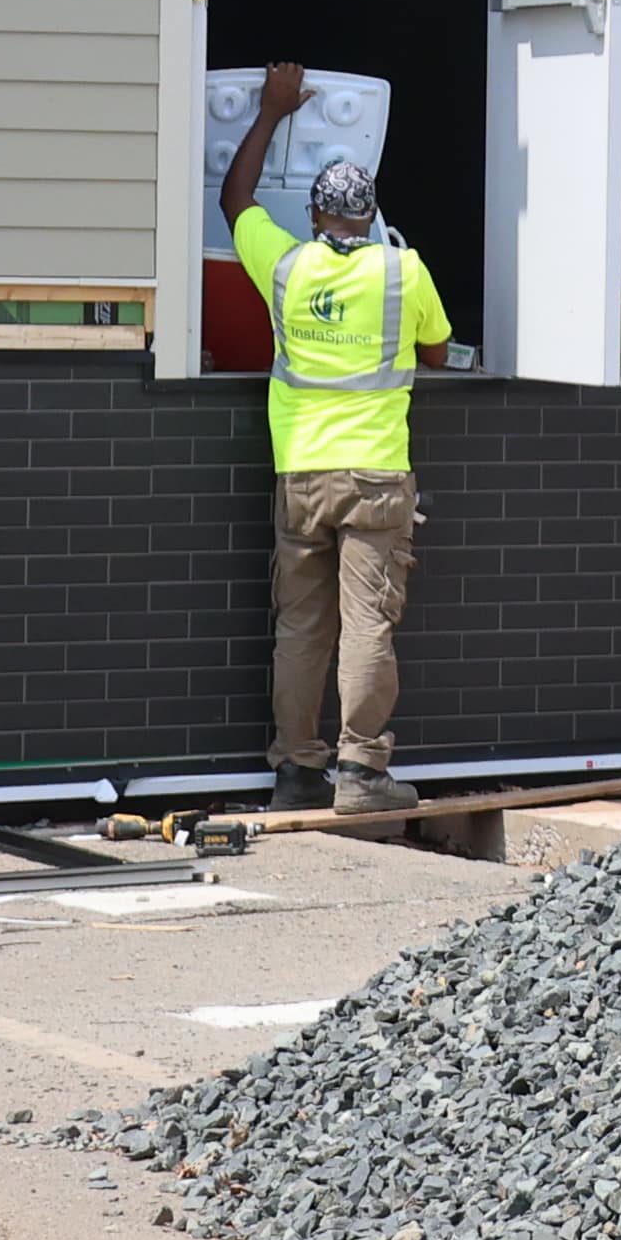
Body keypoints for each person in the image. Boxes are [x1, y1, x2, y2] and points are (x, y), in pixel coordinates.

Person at [218, 57, 449, 811]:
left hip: (301, 475)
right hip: (376, 477)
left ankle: (295, 774)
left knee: (303, 628)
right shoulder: (402, 271)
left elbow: (235, 197)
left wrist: (272, 111)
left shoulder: (284, 267)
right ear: (370, 214)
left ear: (316, 216)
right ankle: (362, 776)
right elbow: (438, 350)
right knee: (368, 624)